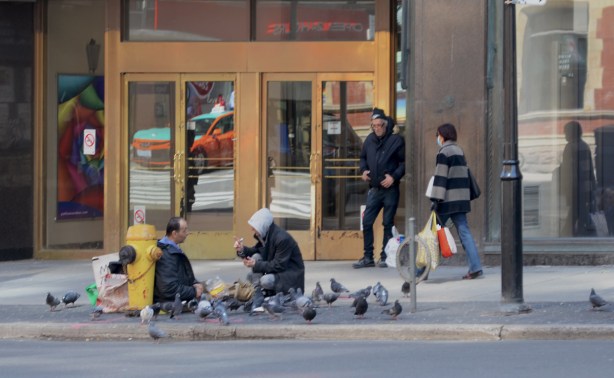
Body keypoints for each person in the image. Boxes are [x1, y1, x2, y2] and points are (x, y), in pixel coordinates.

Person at [353, 108, 405, 269]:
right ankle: (368, 257)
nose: (377, 128)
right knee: (367, 221)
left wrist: (394, 177)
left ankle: (385, 256)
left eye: (379, 125)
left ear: (385, 124)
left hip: (390, 189)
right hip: (374, 189)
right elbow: (362, 158)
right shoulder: (369, 139)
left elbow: (404, 163)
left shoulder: (396, 140)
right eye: (374, 126)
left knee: (387, 223)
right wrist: (363, 170)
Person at [429, 123, 483, 280]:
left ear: (443, 135)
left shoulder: (443, 153)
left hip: (447, 201)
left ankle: (420, 270)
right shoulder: (459, 150)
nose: (437, 138)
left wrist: (435, 199)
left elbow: (440, 177)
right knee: (465, 232)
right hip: (461, 200)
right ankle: (475, 267)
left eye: (437, 135)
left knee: (431, 233)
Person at [234, 208, 305, 294]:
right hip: (279, 271)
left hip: (290, 276)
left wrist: (255, 264)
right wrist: (241, 250)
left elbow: (279, 265)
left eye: (254, 226)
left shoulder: (282, 239)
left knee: (265, 280)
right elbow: (254, 251)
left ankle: (261, 292)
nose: (252, 229)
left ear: (262, 225)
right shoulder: (267, 235)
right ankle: (257, 293)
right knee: (256, 257)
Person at [153, 217, 204, 303]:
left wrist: (195, 284)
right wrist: (193, 291)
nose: (187, 233)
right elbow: (168, 289)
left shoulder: (173, 249)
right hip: (169, 304)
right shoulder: (166, 254)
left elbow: (182, 276)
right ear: (174, 233)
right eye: (184, 231)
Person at [559, 121, 596, 237]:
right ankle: (578, 233)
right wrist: (592, 188)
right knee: (578, 212)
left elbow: (569, 171)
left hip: (575, 187)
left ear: (571, 133)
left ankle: (567, 235)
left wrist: (567, 190)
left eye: (566, 132)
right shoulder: (584, 146)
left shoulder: (570, 147)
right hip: (584, 187)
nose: (564, 135)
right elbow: (589, 169)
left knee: (577, 213)